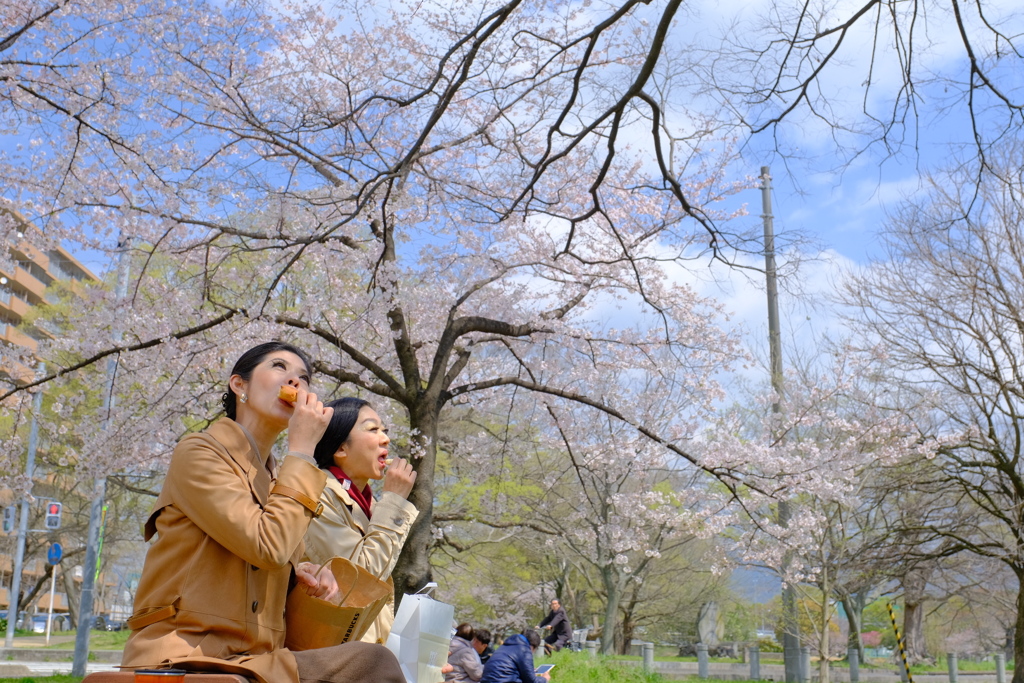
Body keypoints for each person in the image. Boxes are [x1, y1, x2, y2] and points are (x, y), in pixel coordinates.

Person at [121, 342, 405, 683]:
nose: (295, 382)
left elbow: (275, 556)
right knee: (374, 663)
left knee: (374, 662)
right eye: (279, 367)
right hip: (187, 652)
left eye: (304, 376)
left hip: (256, 658)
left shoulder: (280, 480)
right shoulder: (199, 452)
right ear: (239, 385)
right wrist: (301, 451)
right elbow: (266, 546)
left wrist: (307, 577)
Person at [302, 396, 419, 644]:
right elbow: (359, 578)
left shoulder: (370, 505)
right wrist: (395, 501)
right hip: (330, 653)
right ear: (340, 448)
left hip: (363, 655)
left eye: (384, 430)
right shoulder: (318, 494)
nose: (385, 438)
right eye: (373, 429)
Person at [479, 630, 550, 683]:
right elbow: (532, 681)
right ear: (532, 646)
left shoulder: (504, 646)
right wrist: (544, 678)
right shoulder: (525, 649)